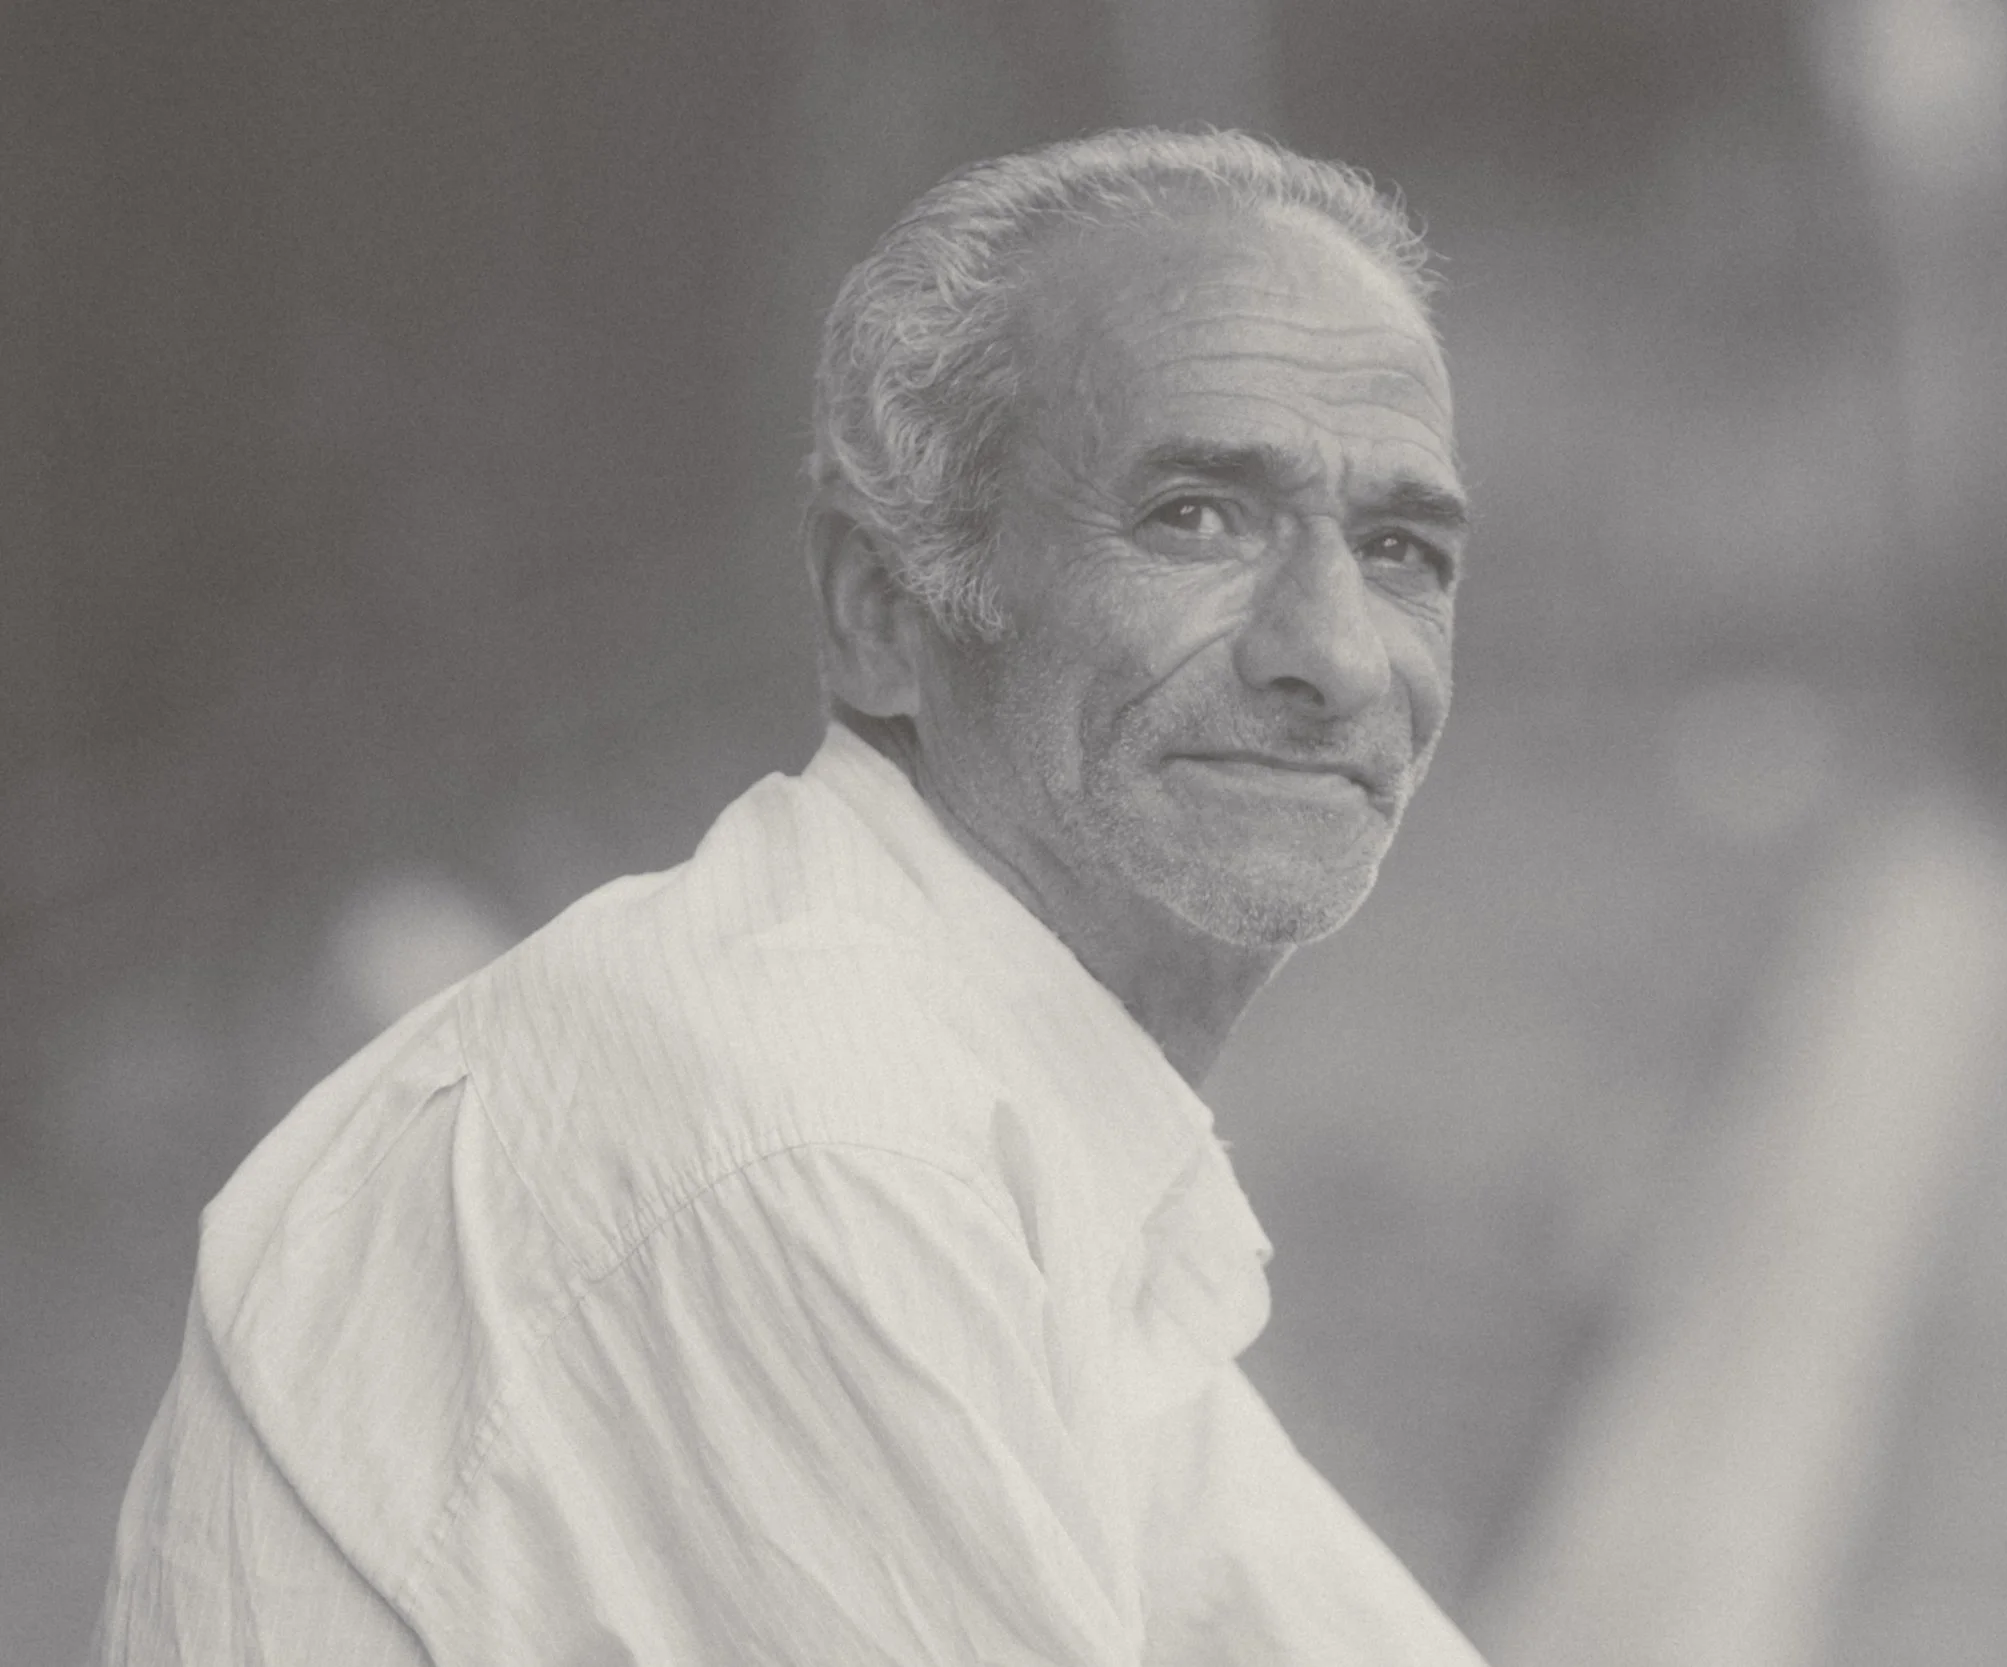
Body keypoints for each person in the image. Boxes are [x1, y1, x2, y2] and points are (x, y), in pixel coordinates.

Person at [94, 128, 1483, 1665]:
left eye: (1399, 547)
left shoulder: (995, 1103)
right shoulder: (812, 1132)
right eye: (1194, 517)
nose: (1338, 652)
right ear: (879, 608)